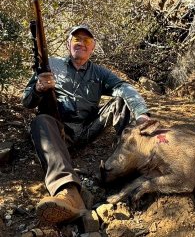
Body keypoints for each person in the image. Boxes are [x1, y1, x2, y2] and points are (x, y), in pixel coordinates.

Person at [22, 25, 150, 224]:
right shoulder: (50, 64)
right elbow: (27, 101)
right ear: (68, 44)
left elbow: (124, 87)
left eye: (87, 41)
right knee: (40, 121)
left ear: (93, 48)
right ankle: (67, 190)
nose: (81, 43)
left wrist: (142, 114)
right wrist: (38, 88)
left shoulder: (99, 73)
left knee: (121, 101)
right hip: (58, 131)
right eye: (76, 39)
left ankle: (128, 165)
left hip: (88, 129)